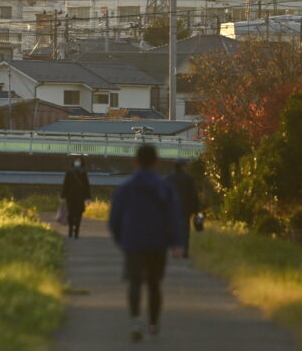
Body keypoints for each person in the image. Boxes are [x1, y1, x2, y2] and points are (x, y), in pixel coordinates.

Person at [109, 144, 183, 342]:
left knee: (134, 282)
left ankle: (135, 320)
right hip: (157, 242)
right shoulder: (165, 187)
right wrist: (176, 242)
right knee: (154, 284)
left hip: (132, 241)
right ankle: (153, 323)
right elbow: (174, 217)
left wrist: (120, 239)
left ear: (135, 162)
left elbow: (114, 219)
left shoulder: (125, 188)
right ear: (157, 162)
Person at [166, 159, 201, 258]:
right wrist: (197, 209)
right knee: (185, 230)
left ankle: (175, 250)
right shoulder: (189, 179)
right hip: (185, 208)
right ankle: (184, 251)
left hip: (172, 209)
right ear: (182, 167)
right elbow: (194, 195)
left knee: (173, 229)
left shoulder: (169, 179)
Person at [61, 156, 92, 238]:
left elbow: (65, 185)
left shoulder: (70, 172)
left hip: (71, 197)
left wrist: (63, 196)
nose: (77, 162)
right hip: (78, 197)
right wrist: (88, 197)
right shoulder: (82, 172)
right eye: (76, 160)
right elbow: (86, 186)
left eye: (79, 160)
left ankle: (72, 230)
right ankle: (74, 230)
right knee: (77, 214)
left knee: (72, 214)